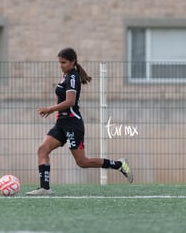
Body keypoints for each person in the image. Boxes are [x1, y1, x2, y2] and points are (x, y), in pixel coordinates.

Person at [26, 48, 133, 195]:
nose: (61, 65)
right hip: (61, 123)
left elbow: (70, 101)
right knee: (42, 150)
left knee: (82, 162)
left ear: (72, 62)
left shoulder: (72, 77)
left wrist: (50, 109)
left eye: (63, 62)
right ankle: (45, 188)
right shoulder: (65, 75)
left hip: (72, 124)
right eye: (59, 62)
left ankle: (120, 164)